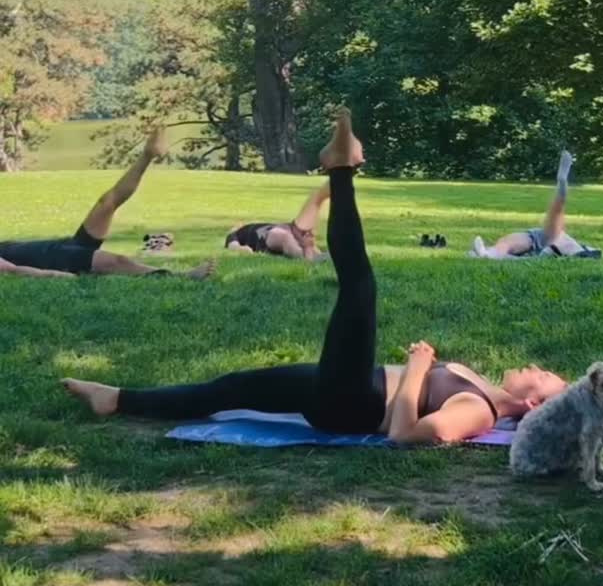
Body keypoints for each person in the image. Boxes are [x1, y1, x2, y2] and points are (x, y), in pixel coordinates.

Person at [63, 111, 567, 445]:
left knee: (360, 286)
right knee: (231, 387)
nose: (534, 365)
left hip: (351, 401)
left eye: (543, 375)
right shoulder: (479, 386)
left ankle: (341, 171)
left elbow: (404, 436)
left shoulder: (480, 413)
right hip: (341, 386)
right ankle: (117, 400)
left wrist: (417, 368)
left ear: (532, 402)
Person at [0, 129, 214, 280]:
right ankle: (183, 277)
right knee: (116, 261)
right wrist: (60, 276)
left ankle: (147, 156)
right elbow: (12, 270)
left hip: (63, 245)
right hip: (63, 259)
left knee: (107, 202)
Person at [469, 150, 601, 260]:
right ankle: (490, 254)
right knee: (551, 228)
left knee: (508, 243)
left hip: (547, 240)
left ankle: (491, 254)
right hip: (549, 242)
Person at [224, 183, 330, 261]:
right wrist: (241, 249)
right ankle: (308, 257)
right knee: (285, 238)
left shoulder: (251, 227)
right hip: (268, 235)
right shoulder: (234, 234)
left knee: (299, 236)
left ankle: (320, 256)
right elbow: (233, 246)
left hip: (284, 228)